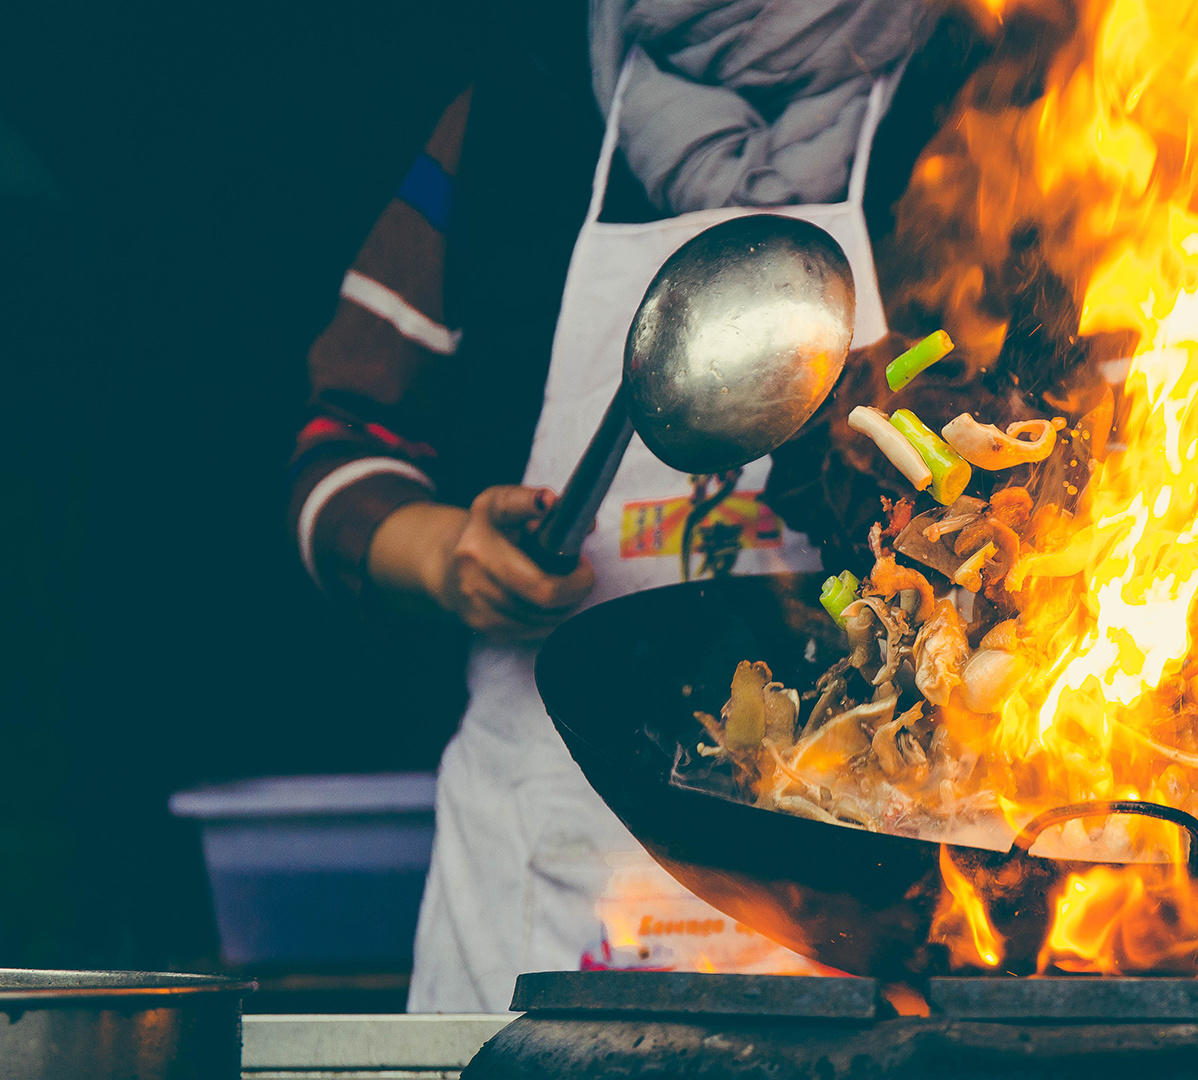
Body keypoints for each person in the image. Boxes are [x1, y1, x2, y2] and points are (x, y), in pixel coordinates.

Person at [288, 0, 931, 1012]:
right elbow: (339, 452)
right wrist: (448, 554)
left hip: (865, 890)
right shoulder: (521, 112)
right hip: (541, 855)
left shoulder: (992, 106)